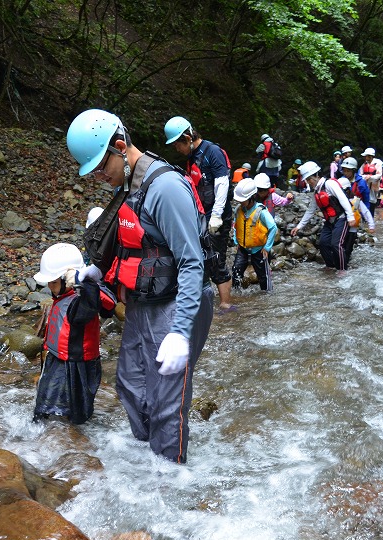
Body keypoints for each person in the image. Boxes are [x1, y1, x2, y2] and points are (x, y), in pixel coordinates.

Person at [67, 109, 213, 464]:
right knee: (130, 383)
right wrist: (97, 271)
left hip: (178, 301)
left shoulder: (164, 187)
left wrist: (180, 331)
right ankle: (148, 460)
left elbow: (192, 261)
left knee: (166, 398)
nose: (100, 177)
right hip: (143, 300)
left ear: (120, 147)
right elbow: (132, 242)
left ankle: (169, 477)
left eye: (102, 168)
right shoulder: (128, 186)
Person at [33, 243, 116, 424]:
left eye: (53, 282)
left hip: (77, 365)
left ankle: (74, 441)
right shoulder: (63, 297)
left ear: (67, 281)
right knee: (45, 408)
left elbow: (105, 303)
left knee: (76, 415)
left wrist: (83, 281)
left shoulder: (82, 302)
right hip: (58, 359)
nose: (49, 285)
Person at [165, 116, 235, 312]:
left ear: (187, 138)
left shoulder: (213, 152)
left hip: (218, 216)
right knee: (201, 258)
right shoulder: (191, 159)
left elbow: (222, 183)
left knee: (217, 258)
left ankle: (226, 304)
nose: (176, 149)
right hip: (202, 216)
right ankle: (204, 301)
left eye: (177, 144)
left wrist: (217, 215)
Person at [291, 161, 356, 273]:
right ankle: (331, 266)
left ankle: (342, 270)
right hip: (330, 221)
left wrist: (350, 217)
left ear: (316, 175)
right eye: (307, 180)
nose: (308, 182)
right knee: (323, 243)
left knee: (336, 244)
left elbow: (343, 199)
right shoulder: (317, 191)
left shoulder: (330, 184)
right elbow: (311, 210)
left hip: (341, 218)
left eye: (309, 179)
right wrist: (299, 226)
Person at [231, 178, 278, 292]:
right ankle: (236, 294)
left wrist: (267, 247)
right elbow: (236, 226)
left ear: (251, 197)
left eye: (243, 200)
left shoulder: (261, 211)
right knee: (236, 271)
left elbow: (273, 227)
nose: (240, 202)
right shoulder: (239, 209)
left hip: (259, 249)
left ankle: (266, 296)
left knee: (263, 276)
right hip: (243, 248)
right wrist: (236, 241)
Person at [336, 176, 375, 267]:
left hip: (351, 230)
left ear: (348, 190)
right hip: (340, 228)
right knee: (339, 247)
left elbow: (366, 212)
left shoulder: (356, 200)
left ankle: (345, 266)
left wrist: (371, 225)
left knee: (348, 249)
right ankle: (341, 265)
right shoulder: (337, 199)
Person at [360, 148, 383, 213]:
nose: (365, 157)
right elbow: (360, 175)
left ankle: (371, 219)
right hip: (365, 186)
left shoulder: (378, 163)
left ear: (370, 156)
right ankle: (365, 219)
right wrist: (365, 177)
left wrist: (370, 177)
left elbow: (379, 175)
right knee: (365, 201)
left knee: (372, 202)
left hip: (374, 187)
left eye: (366, 156)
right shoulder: (364, 164)